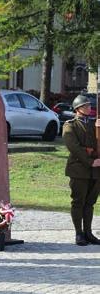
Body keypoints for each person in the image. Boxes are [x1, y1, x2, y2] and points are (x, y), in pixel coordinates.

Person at [62, 95, 100, 246]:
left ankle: (89, 232)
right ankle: (79, 233)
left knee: (90, 203)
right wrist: (91, 161)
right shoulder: (70, 125)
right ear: (78, 108)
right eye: (85, 106)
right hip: (79, 169)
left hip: (95, 170)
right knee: (78, 202)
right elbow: (74, 148)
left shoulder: (94, 124)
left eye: (90, 106)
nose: (89, 108)